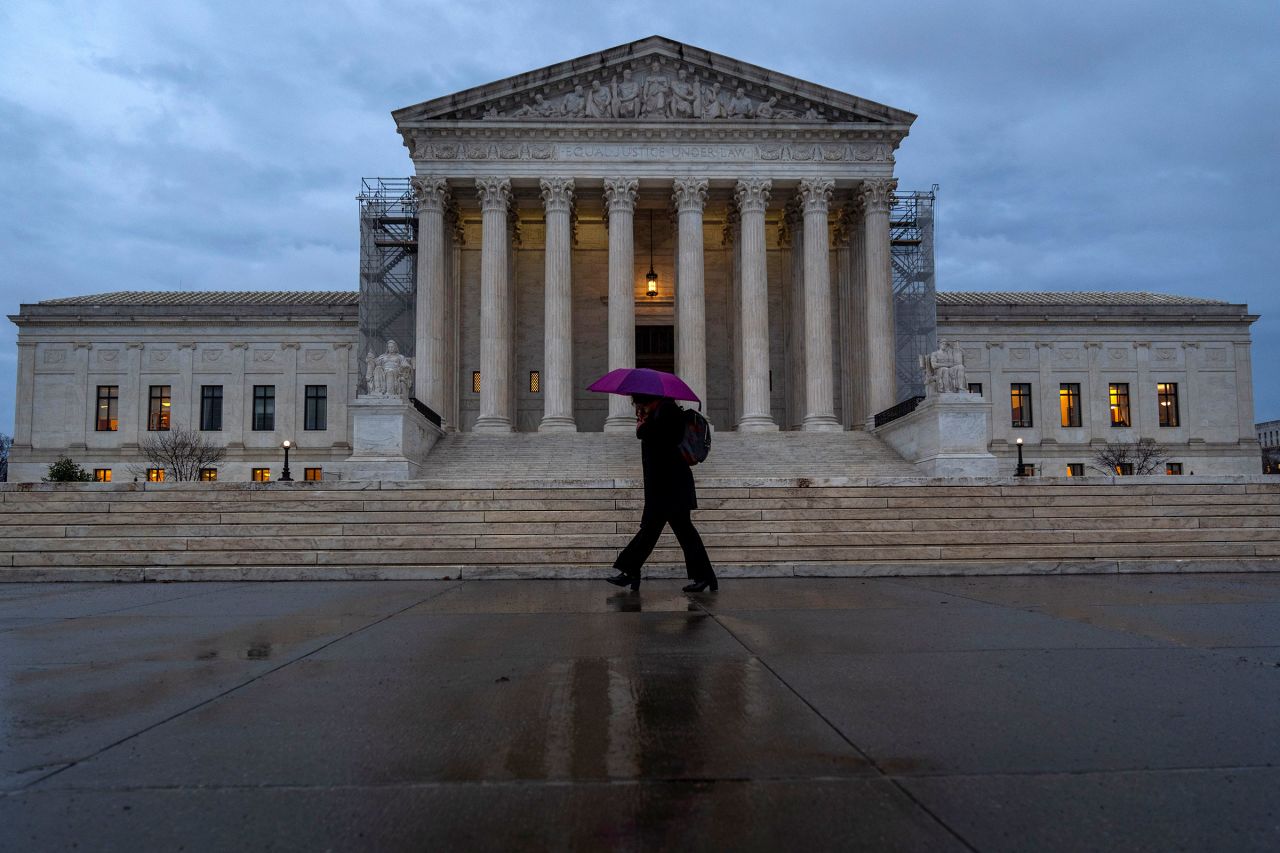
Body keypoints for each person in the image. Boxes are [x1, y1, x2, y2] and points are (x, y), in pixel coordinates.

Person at [607, 393, 717, 592]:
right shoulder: (658, 412)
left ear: (645, 397)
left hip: (672, 486)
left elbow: (666, 439)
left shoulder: (667, 410)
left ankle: (631, 571)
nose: (634, 404)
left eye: (636, 400)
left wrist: (643, 425)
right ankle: (631, 571)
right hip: (664, 486)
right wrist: (645, 421)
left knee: (678, 533)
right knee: (659, 532)